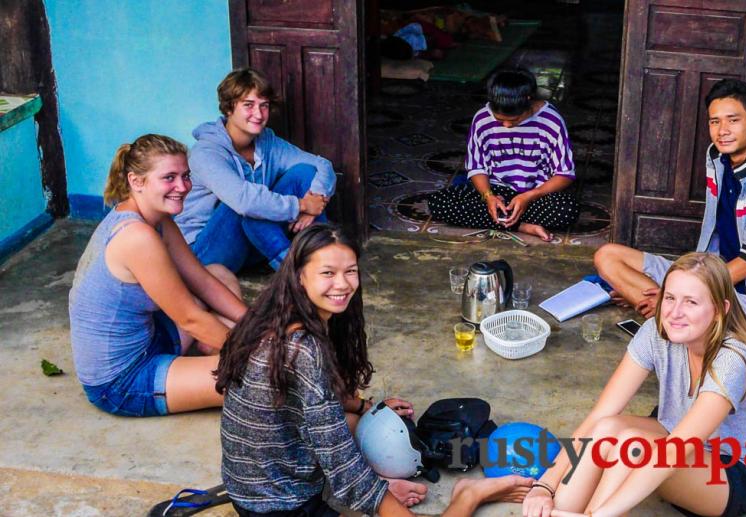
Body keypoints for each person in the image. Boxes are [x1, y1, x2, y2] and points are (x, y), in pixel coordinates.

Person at [215, 224, 533, 516]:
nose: (342, 284)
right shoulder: (301, 350)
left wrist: (365, 407)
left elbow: (313, 401)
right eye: (328, 273)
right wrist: (382, 496)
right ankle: (468, 495)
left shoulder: (277, 315)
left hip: (255, 483)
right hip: (277, 504)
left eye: (350, 271)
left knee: (357, 422)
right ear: (300, 276)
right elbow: (343, 468)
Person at [522, 253, 746, 517]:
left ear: (719, 309)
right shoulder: (656, 332)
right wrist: (545, 485)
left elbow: (676, 449)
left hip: (731, 471)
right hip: (673, 434)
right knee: (607, 428)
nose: (675, 313)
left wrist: (598, 514)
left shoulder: (734, 357)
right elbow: (600, 414)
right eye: (670, 298)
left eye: (691, 302)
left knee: (631, 446)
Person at [594, 78, 746, 339]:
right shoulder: (717, 156)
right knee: (607, 256)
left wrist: (681, 294)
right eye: (715, 121)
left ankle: (667, 310)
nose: (722, 130)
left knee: (703, 343)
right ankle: (669, 309)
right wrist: (684, 290)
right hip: (710, 273)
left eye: (733, 120)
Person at [69, 135, 247, 417]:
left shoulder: (157, 219)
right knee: (264, 381)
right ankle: (217, 352)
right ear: (136, 181)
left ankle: (213, 346)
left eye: (185, 176)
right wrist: (262, 351)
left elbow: (202, 281)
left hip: (151, 338)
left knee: (219, 273)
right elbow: (190, 318)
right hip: (122, 381)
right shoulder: (136, 236)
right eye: (169, 178)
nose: (182, 187)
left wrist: (257, 325)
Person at [176, 68, 337, 273]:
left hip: (252, 242)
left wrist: (316, 203)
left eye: (264, 106)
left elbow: (322, 165)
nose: (259, 114)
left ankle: (326, 255)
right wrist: (302, 205)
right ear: (228, 108)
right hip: (205, 253)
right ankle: (295, 273)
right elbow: (246, 202)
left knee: (303, 173)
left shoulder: (267, 142)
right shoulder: (206, 153)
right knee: (246, 205)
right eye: (248, 105)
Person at [428, 67, 580, 242]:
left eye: (514, 119)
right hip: (496, 192)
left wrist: (528, 196)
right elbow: (477, 167)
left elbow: (565, 174)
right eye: (500, 120)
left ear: (528, 100)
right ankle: (521, 226)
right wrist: (488, 197)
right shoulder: (482, 119)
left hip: (535, 194)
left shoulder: (551, 121)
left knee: (566, 210)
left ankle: (501, 219)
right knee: (439, 202)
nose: (506, 126)